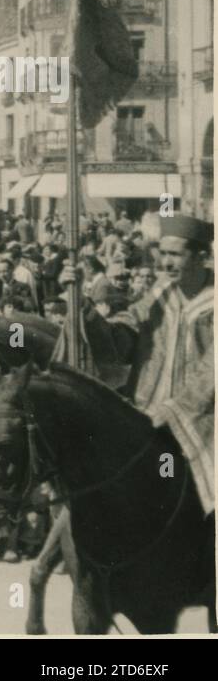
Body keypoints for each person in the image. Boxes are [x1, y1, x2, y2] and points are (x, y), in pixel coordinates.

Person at [65, 214, 214, 513]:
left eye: (175, 255)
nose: (165, 263)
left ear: (202, 256)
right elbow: (119, 343)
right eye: (163, 253)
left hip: (202, 423)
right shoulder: (159, 294)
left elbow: (211, 371)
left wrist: (173, 410)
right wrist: (84, 307)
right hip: (146, 415)